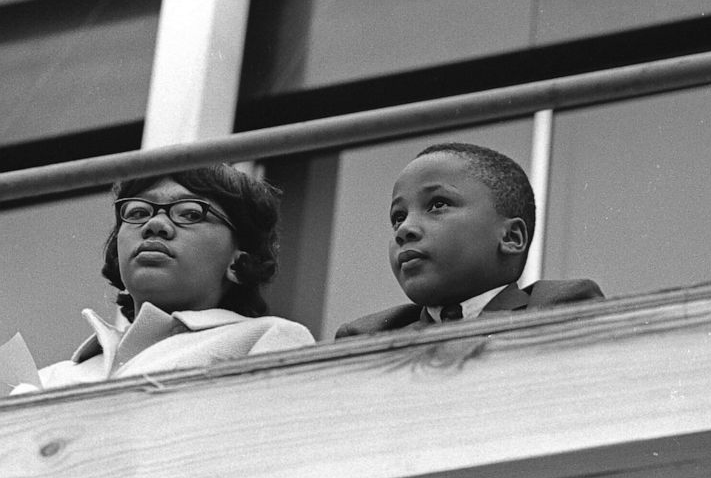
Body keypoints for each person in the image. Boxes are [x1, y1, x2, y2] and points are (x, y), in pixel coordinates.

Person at [19, 164, 315, 391]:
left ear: (239, 261)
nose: (155, 224)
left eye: (189, 214)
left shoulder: (268, 338)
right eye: (136, 212)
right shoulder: (49, 379)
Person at [336, 142, 603, 337]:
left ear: (510, 237)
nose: (405, 229)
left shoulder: (555, 310)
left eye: (438, 204)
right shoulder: (370, 337)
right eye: (398, 217)